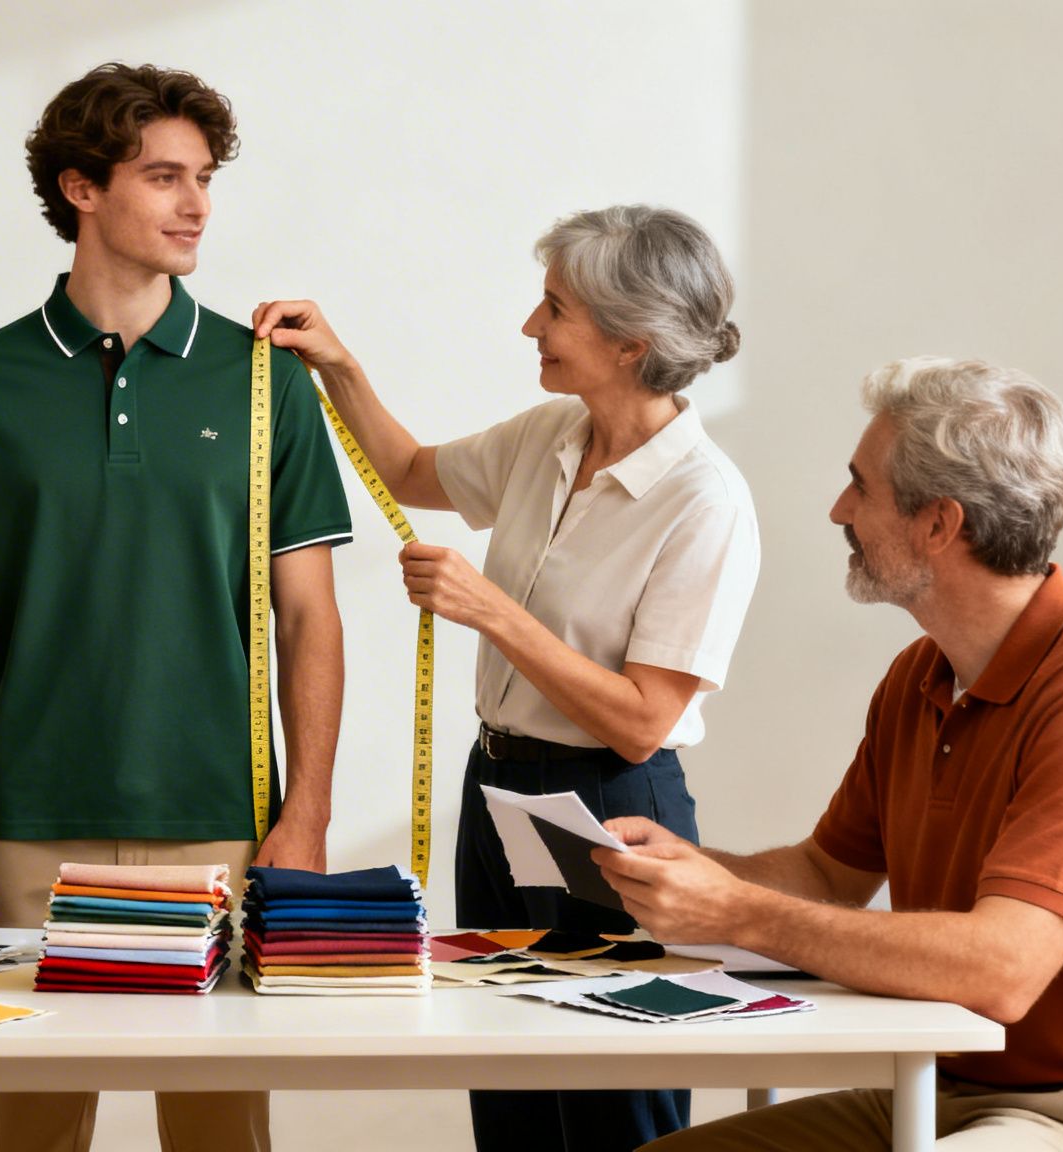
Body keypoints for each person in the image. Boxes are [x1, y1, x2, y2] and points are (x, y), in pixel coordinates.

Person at [0, 63, 351, 1152]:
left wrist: (307, 812)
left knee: (219, 1134)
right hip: (27, 826)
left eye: (203, 178)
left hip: (223, 822)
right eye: (163, 177)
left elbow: (308, 618)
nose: (196, 204)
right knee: (31, 1134)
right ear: (81, 188)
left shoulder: (264, 380)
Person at [598, 357, 1063, 1151]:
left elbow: (1003, 970)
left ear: (939, 525)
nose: (837, 509)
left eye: (861, 487)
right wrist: (692, 868)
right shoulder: (923, 673)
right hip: (949, 1090)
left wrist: (738, 913)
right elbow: (828, 875)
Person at [256, 204, 758, 1152]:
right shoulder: (549, 436)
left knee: (617, 1102)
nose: (532, 326)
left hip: (614, 804)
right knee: (510, 1078)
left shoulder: (704, 502)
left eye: (554, 309)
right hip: (498, 788)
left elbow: (645, 721)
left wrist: (491, 610)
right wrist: (338, 364)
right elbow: (406, 470)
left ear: (629, 341)